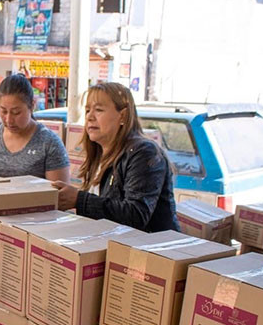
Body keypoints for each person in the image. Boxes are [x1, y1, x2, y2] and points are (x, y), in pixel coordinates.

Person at [52, 82, 179, 232]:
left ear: (123, 116)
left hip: (148, 250)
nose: (90, 117)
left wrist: (79, 200)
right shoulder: (100, 152)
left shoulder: (144, 152)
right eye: (87, 110)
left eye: (98, 110)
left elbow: (136, 215)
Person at [0, 73, 70, 181]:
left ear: (32, 105)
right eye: (3, 111)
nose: (8, 119)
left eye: (16, 112)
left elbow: (59, 193)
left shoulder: (49, 143)